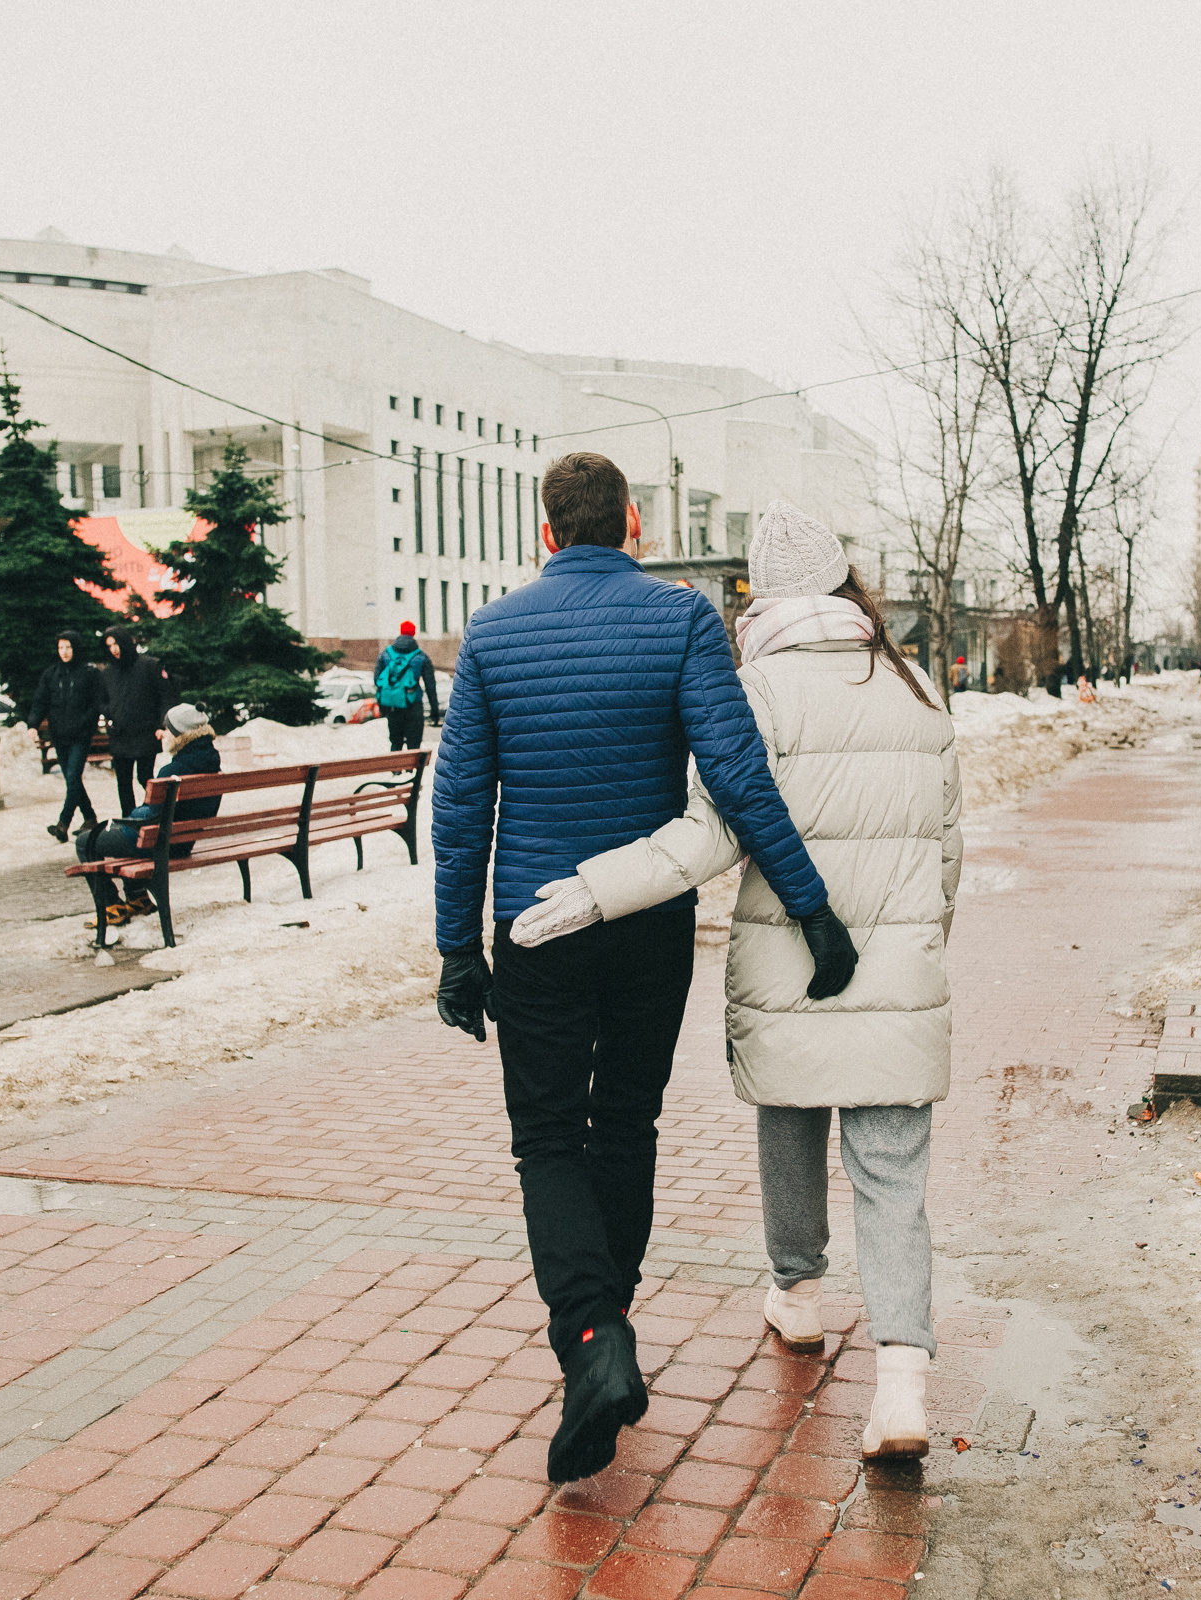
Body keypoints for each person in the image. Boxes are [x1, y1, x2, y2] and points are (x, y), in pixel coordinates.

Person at [432, 454, 858, 1485]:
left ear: (546, 533)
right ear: (632, 521)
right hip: (648, 922)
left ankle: (591, 1339)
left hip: (536, 922)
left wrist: (456, 945)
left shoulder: (491, 633)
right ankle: (606, 1324)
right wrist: (813, 906)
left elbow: (460, 804)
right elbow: (737, 775)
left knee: (546, 1138)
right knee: (625, 1123)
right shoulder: (683, 622)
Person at [512, 499, 960, 1463]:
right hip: (899, 968)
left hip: (791, 967)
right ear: (847, 586)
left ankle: (798, 1295)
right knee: (891, 1176)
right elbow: (947, 845)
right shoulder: (916, 685)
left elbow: (714, 832)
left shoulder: (754, 690)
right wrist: (926, 944)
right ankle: (903, 1385)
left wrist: (596, 889)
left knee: (791, 1119)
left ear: (766, 595)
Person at [73, 705, 220, 928]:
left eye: (167, 729)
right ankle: (138, 898)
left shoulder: (173, 772)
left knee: (86, 841)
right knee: (125, 835)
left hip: (163, 844)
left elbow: (149, 818)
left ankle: (111, 906)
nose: (162, 734)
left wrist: (132, 814)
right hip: (183, 842)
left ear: (181, 735)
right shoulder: (212, 765)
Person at [25, 630, 104, 841]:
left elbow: (96, 704)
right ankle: (90, 817)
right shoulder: (52, 674)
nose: (64, 652)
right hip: (59, 735)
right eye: (61, 647)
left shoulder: (89, 673)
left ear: (75, 648)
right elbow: (40, 700)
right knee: (73, 780)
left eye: (68, 647)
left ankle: (63, 823)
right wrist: (33, 724)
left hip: (80, 734)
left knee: (72, 776)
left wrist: (85, 723)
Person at [102, 625, 170, 816]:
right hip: (120, 734)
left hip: (146, 732)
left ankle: (160, 813)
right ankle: (129, 820)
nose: (114, 649)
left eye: (116, 643)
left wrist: (161, 725)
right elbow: (100, 700)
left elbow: (165, 696)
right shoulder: (108, 673)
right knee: (123, 782)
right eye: (109, 645)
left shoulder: (149, 665)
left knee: (145, 778)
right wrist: (110, 711)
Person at [375, 621, 439, 751]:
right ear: (413, 634)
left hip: (393, 706)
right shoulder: (421, 657)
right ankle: (412, 770)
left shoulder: (385, 655)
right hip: (413, 705)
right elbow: (430, 686)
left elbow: (377, 680)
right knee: (414, 744)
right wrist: (434, 710)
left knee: (395, 742)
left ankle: (396, 770)